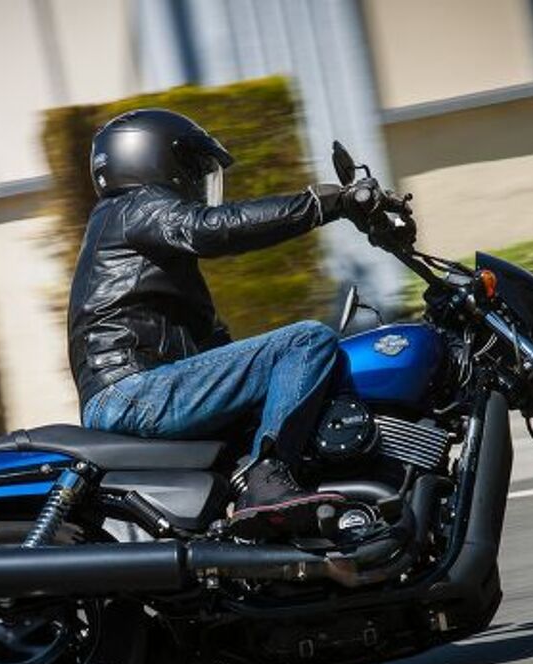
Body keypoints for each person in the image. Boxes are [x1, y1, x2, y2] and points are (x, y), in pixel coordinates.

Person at [68, 108, 370, 536]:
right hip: (135, 389)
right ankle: (266, 479)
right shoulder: (134, 206)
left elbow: (216, 350)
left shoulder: (132, 232)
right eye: (193, 168)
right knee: (305, 341)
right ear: (152, 158)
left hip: (137, 389)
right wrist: (323, 204)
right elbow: (209, 228)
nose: (197, 182)